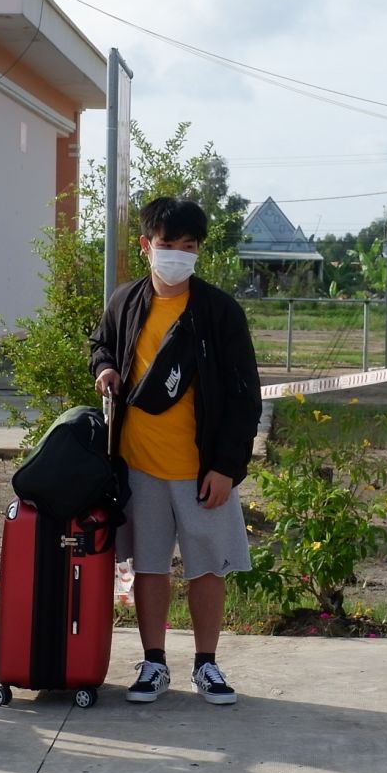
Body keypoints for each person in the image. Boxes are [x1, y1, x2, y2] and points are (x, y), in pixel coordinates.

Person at [91, 197, 262, 705]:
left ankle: (206, 664)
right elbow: (100, 344)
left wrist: (227, 467)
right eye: (168, 246)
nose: (178, 257)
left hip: (201, 471)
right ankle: (154, 662)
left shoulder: (218, 311)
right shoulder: (125, 301)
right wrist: (104, 368)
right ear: (146, 247)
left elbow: (244, 396)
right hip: (138, 466)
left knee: (207, 568)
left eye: (188, 248)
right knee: (149, 566)